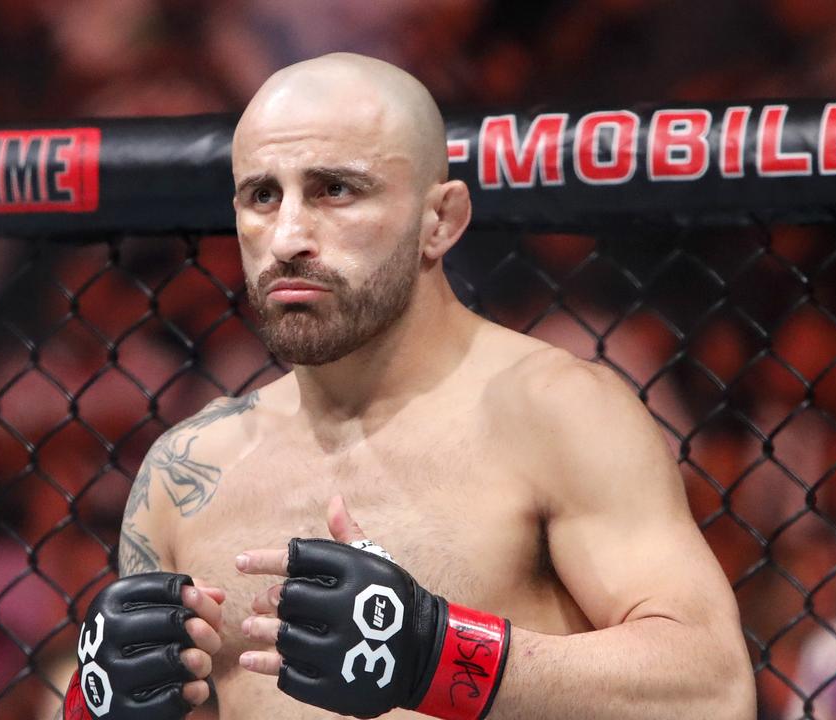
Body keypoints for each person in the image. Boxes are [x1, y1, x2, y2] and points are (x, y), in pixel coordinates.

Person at [62, 52, 757, 720]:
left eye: (336, 189)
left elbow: (711, 689)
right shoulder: (188, 471)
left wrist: (436, 655)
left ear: (441, 220)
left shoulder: (554, 410)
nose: (289, 237)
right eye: (263, 196)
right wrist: (92, 709)